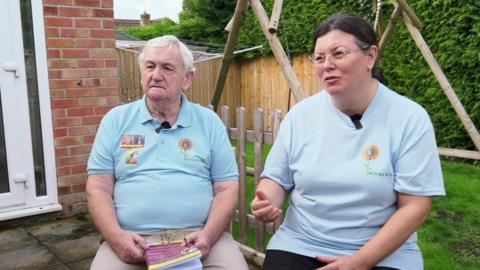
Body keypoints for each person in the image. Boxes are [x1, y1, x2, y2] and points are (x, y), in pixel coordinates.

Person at [251, 13, 445, 270]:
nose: (327, 64)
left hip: (385, 250)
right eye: (319, 58)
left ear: (371, 56)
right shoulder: (301, 116)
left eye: (338, 53)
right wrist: (268, 201)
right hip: (302, 242)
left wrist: (361, 261)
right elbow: (276, 178)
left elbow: (416, 205)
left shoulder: (409, 118)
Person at [87, 35, 248, 270]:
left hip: (198, 238)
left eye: (167, 68)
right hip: (131, 238)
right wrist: (116, 237)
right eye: (150, 66)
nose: (156, 75)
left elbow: (227, 188)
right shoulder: (116, 120)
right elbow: (97, 188)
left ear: (188, 78)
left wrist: (209, 235)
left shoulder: (209, 123)